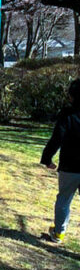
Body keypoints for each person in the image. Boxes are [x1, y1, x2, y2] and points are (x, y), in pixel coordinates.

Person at [41, 80, 80, 244]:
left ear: (71, 96)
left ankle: (58, 233)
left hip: (69, 166)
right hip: (70, 166)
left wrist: (47, 158)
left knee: (64, 199)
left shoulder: (67, 114)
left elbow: (57, 138)